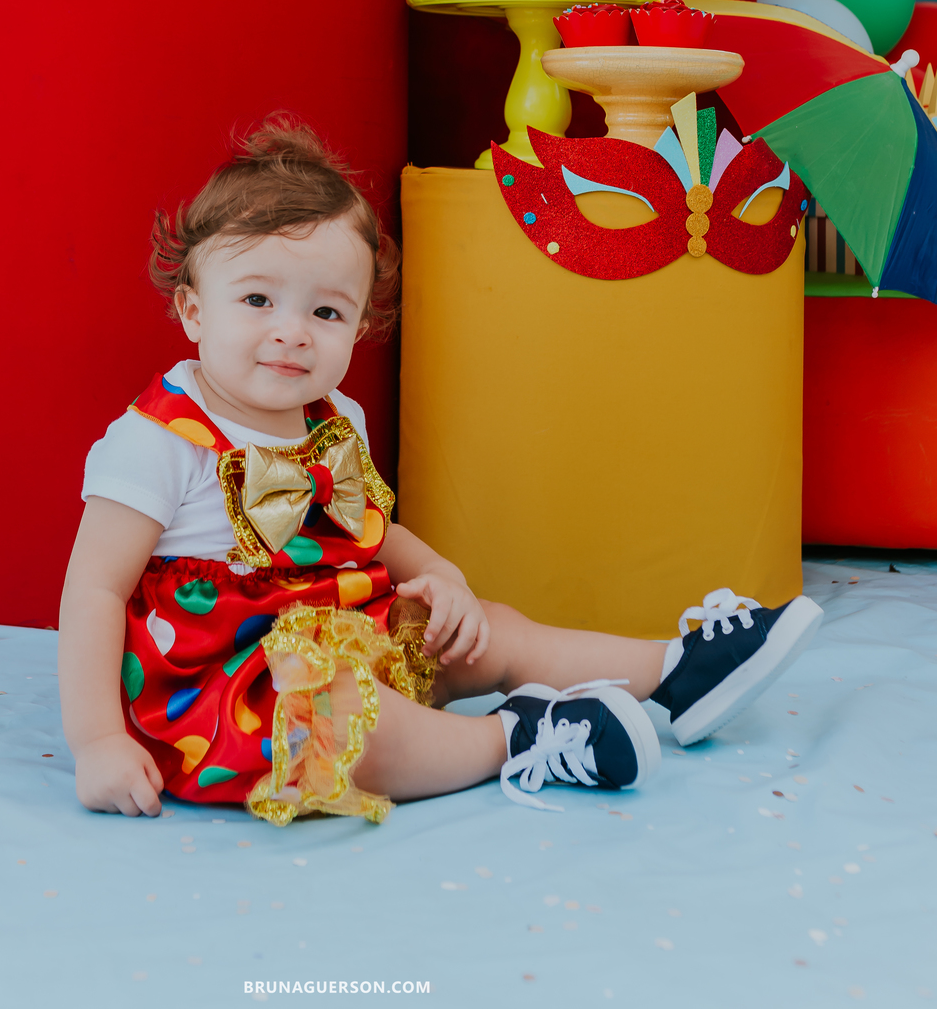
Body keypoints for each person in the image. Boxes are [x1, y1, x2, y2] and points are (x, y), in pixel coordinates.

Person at [58, 119, 822, 824]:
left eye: (326, 313)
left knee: (488, 630)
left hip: (349, 622)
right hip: (230, 686)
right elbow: (95, 588)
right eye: (257, 299)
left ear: (360, 324)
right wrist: (97, 741)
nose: (291, 332)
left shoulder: (336, 418)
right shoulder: (158, 439)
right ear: (194, 311)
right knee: (342, 719)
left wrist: (445, 575)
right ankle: (518, 738)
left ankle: (675, 670)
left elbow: (370, 529)